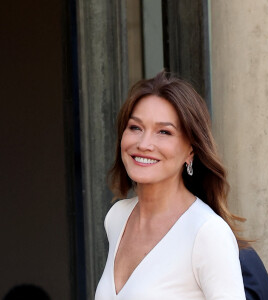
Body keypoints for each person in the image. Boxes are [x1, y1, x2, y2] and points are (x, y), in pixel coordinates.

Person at [95, 71, 248, 299]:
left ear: (191, 150)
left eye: (164, 132)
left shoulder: (207, 233)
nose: (144, 144)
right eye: (135, 127)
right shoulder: (117, 217)